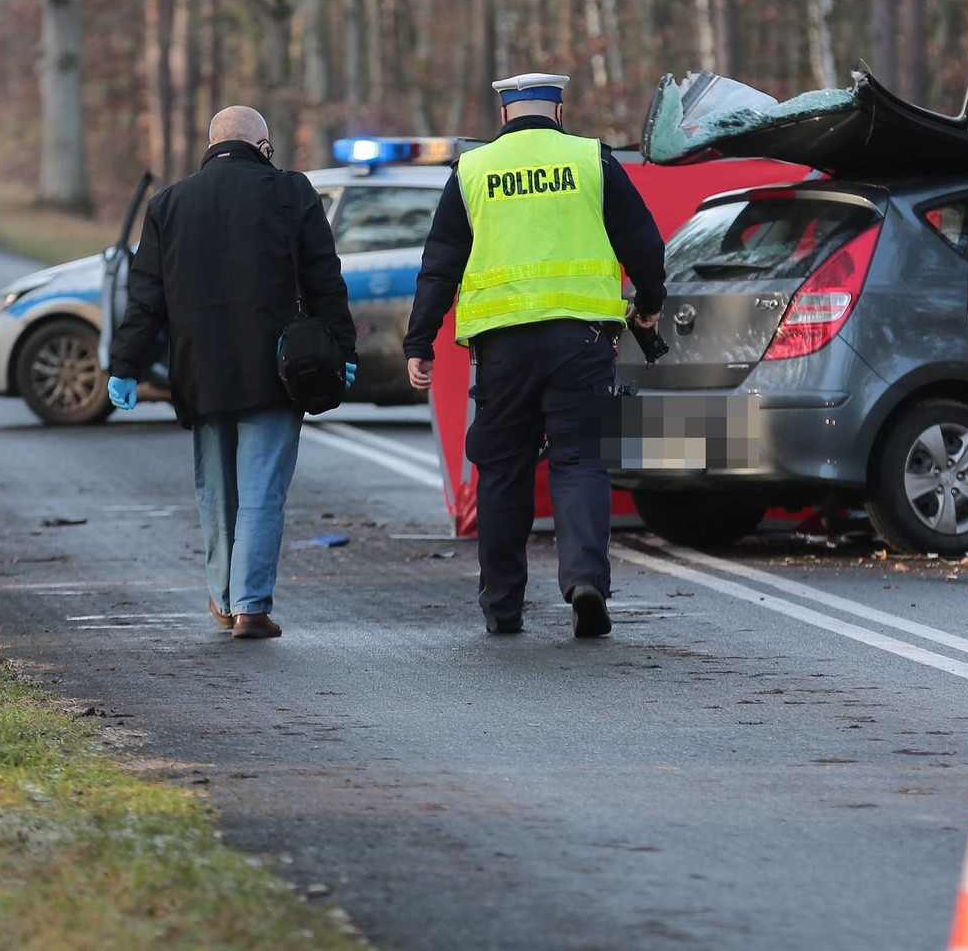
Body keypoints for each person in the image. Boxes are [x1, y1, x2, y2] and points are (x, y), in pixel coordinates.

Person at [405, 73, 666, 638]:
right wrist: (648, 303)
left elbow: (440, 261)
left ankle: (502, 606)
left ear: (503, 116)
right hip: (582, 344)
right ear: (560, 110)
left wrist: (419, 340)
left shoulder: (473, 170)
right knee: (580, 461)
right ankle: (584, 581)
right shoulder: (590, 160)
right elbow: (643, 241)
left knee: (503, 471)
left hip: (502, 349)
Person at [107, 107, 357, 640]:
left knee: (215, 493)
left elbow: (145, 298)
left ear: (211, 143)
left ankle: (222, 601)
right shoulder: (291, 192)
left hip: (200, 372)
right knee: (263, 489)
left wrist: (125, 365)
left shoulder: (168, 204)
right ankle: (251, 607)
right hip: (276, 370)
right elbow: (324, 279)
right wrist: (344, 348)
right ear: (262, 146)